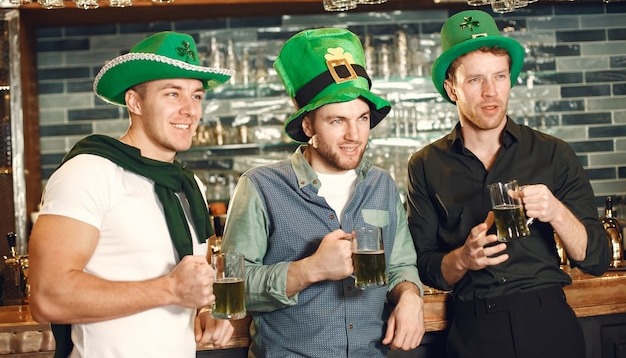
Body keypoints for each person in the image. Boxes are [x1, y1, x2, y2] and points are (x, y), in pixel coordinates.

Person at [406, 10, 611, 358]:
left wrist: (556, 212)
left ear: (510, 80)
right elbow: (425, 265)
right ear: (451, 88)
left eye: (499, 76)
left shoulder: (553, 153)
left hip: (547, 320)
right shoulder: (426, 165)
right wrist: (463, 259)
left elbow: (596, 259)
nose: (490, 92)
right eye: (475, 80)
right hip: (474, 331)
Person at [28, 31, 236, 358]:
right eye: (172, 94)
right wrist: (168, 289)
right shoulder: (90, 172)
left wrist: (206, 313)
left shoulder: (187, 184)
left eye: (196, 96)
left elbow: (193, 286)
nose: (190, 110)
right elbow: (47, 297)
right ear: (134, 102)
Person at [221, 28, 425, 357]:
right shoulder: (260, 186)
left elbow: (400, 265)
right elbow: (232, 288)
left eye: (361, 118)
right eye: (336, 121)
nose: (354, 135)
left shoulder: (381, 184)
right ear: (307, 126)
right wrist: (310, 269)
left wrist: (410, 295)